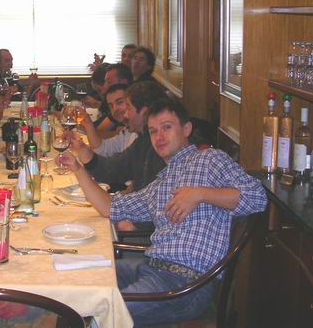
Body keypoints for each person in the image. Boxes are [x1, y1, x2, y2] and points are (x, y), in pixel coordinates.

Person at [60, 99, 267, 326]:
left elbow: (257, 197)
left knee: (103, 314)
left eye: (167, 127)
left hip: (185, 285)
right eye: (153, 131)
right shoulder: (162, 181)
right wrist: (78, 169)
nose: (159, 136)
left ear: (186, 129)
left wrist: (200, 194)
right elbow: (110, 207)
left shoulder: (209, 159)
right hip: (150, 267)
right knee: (75, 281)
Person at [68, 81, 167, 192]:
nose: (125, 114)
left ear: (144, 112)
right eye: (110, 105)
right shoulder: (142, 141)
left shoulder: (160, 147)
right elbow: (113, 168)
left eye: (128, 107)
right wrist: (82, 149)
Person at [78, 83, 137, 157]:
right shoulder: (127, 131)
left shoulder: (141, 133)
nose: (115, 109)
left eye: (119, 102)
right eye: (111, 106)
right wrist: (88, 124)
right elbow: (103, 149)